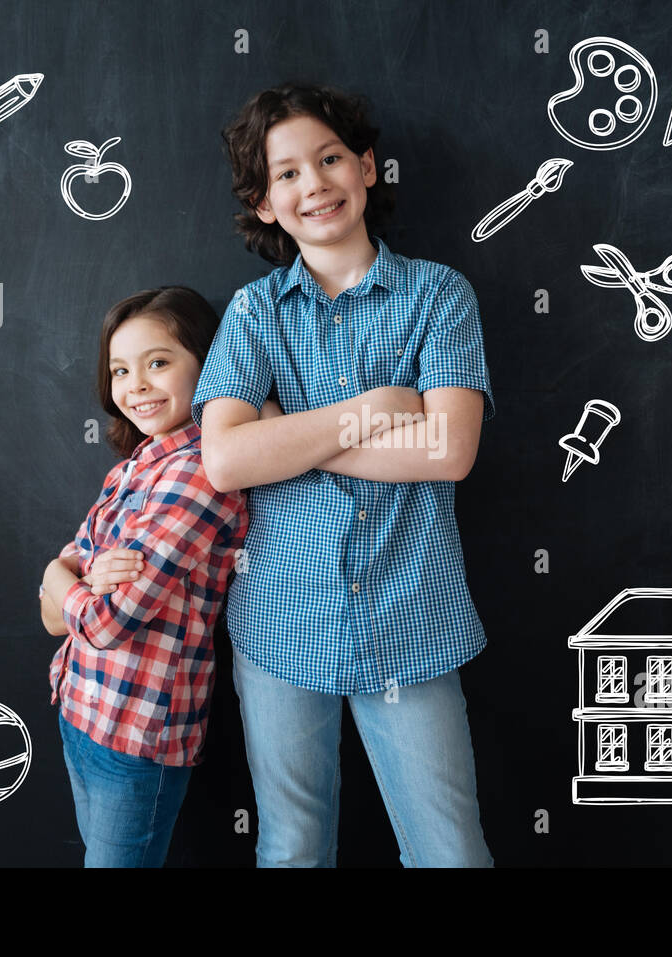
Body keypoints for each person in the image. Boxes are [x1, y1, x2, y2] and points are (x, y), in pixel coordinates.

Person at [193, 83, 494, 867]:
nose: (313, 184)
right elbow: (225, 458)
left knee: (450, 850)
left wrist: (284, 437)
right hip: (281, 621)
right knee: (291, 849)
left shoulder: (440, 295)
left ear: (366, 167)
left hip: (412, 616)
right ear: (264, 204)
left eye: (329, 159)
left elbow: (450, 450)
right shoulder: (254, 315)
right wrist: (375, 410)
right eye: (285, 174)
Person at [40, 286, 248, 867]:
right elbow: (52, 617)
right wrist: (66, 579)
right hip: (81, 707)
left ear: (209, 363)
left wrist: (59, 574)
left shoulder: (202, 473)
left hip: (137, 734)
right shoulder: (132, 468)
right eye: (120, 370)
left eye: (158, 363)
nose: (136, 386)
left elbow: (103, 622)